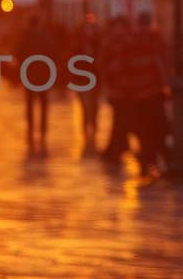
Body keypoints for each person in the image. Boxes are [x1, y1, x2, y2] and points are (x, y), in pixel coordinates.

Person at [123, 12, 171, 176]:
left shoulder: (131, 41)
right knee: (158, 129)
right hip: (153, 93)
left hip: (137, 95)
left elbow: (125, 68)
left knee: (143, 131)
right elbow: (162, 64)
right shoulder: (155, 40)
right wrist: (165, 86)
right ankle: (159, 161)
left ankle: (146, 161)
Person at [98, 15, 136, 164]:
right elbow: (102, 63)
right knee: (119, 118)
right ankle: (117, 148)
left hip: (127, 88)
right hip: (116, 88)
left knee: (121, 119)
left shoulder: (127, 42)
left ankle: (116, 148)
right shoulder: (110, 43)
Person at [15, 15, 56, 154]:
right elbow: (53, 53)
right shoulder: (45, 37)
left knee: (30, 103)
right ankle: (43, 131)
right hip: (44, 74)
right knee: (43, 104)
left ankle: (31, 130)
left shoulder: (25, 37)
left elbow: (18, 52)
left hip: (29, 73)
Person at [73, 17, 102, 153]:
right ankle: (86, 131)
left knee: (94, 106)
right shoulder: (77, 45)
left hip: (94, 80)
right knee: (85, 107)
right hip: (81, 80)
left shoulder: (98, 44)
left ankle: (93, 129)